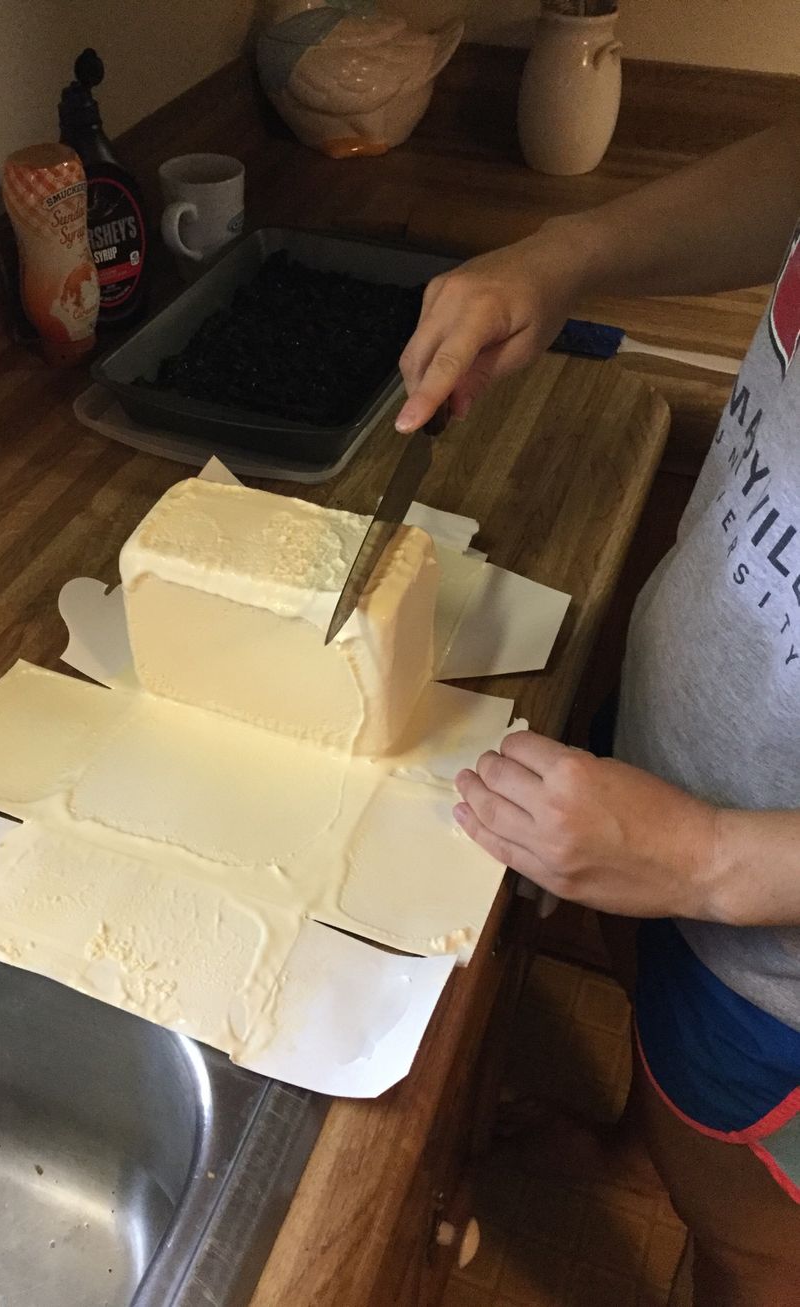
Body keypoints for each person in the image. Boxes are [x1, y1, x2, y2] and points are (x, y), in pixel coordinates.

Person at [395, 116, 800, 1307]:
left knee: (749, 1247)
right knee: (660, 1054)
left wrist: (707, 856)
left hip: (770, 952)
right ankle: (643, 1145)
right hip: (663, 786)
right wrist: (567, 253)